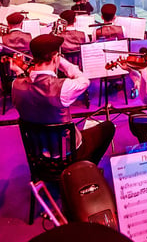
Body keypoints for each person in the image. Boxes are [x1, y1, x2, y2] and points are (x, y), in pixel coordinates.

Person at [11, 34, 115, 165]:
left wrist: (19, 72)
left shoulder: (16, 85)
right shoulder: (63, 87)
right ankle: (85, 168)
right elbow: (84, 81)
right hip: (67, 153)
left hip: (38, 150)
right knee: (108, 127)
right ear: (55, 58)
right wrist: (63, 64)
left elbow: (26, 84)